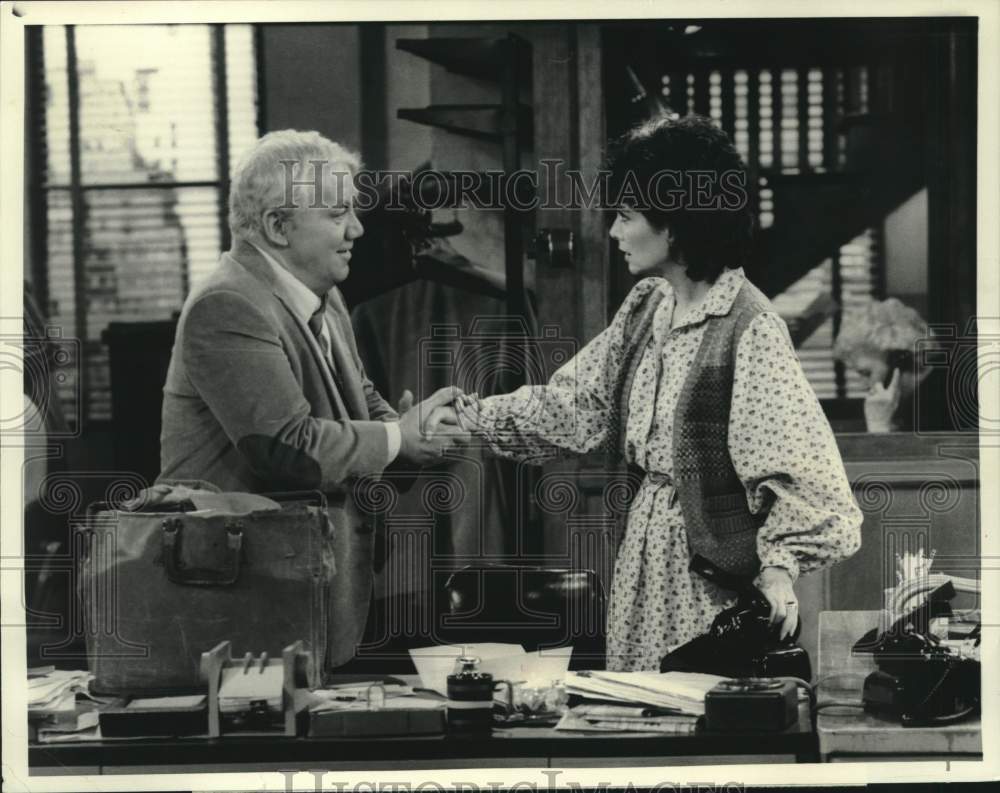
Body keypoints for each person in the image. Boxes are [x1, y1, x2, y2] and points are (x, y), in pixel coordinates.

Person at [456, 115, 863, 672]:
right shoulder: (648, 306)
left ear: (675, 223)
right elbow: (576, 405)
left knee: (693, 724)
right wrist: (467, 417)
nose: (614, 233)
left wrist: (779, 569)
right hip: (644, 559)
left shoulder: (747, 325)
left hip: (708, 584)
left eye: (625, 217)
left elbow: (807, 480)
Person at [158, 130, 466, 668]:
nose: (357, 229)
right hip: (240, 608)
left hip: (306, 594)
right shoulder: (228, 304)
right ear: (278, 227)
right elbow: (287, 449)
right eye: (336, 214)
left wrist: (413, 433)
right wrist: (398, 437)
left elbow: (360, 404)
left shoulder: (323, 294)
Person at [833, 298, 956, 433]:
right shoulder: (926, 391)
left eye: (867, 373)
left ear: (899, 359)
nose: (863, 385)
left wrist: (878, 426)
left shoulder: (939, 403)